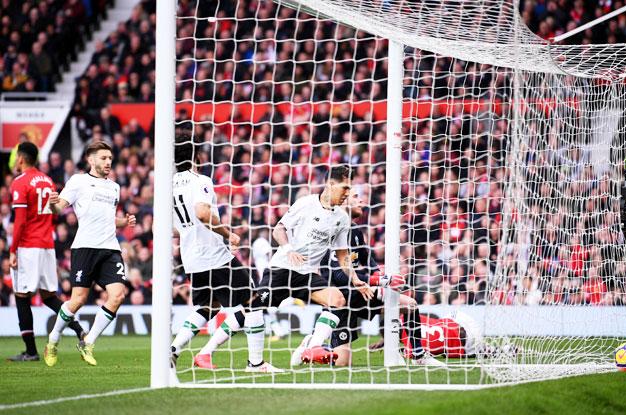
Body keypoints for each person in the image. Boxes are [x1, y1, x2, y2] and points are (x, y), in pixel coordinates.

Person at [194, 166, 373, 365]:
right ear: (330, 185)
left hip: (306, 274)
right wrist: (289, 249)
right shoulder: (305, 203)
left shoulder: (342, 218)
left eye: (350, 189)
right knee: (252, 308)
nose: (347, 193)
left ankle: (312, 347)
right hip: (283, 268)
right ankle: (206, 352)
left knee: (337, 299)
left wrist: (355, 279)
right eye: (345, 188)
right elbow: (279, 229)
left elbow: (342, 255)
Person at [170, 136, 280, 373]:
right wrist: (227, 233)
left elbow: (168, 229)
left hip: (191, 258)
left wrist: (190, 233)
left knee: (209, 306)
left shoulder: (168, 186)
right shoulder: (200, 180)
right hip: (213, 254)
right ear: (195, 157)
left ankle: (174, 349)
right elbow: (202, 212)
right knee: (254, 301)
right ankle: (256, 363)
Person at [304, 192, 445, 367]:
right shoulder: (333, 229)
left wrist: (379, 273)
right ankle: (313, 342)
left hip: (362, 293)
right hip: (340, 300)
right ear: (342, 201)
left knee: (409, 305)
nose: (361, 200)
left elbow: (367, 259)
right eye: (355, 197)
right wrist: (380, 280)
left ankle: (418, 355)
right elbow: (339, 275)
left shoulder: (355, 230)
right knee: (342, 363)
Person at [43, 142, 136, 367]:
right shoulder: (78, 181)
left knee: (118, 296)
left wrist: (123, 222)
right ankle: (53, 340)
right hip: (85, 248)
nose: (108, 162)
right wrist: (53, 204)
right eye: (103, 158)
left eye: (110, 158)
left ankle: (88, 342)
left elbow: (108, 218)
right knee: (78, 300)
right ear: (91, 160)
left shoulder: (114, 187)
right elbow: (59, 208)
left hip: (110, 248)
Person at [7, 142, 85, 362]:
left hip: (28, 246)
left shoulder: (20, 182)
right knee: (49, 296)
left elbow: (20, 221)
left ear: (20, 158)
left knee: (22, 296)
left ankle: (30, 351)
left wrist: (13, 250)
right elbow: (54, 213)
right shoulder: (47, 180)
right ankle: (80, 330)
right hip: (47, 245)